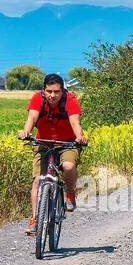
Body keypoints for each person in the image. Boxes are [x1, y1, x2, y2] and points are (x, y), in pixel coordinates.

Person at [17, 73, 86, 236]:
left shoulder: (70, 100)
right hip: (43, 142)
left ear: (62, 91)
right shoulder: (38, 99)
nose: (52, 95)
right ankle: (35, 219)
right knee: (37, 181)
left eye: (56, 92)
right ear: (43, 90)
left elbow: (75, 121)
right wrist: (26, 132)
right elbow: (32, 117)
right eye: (49, 91)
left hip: (67, 143)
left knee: (68, 166)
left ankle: (70, 193)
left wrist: (79, 137)